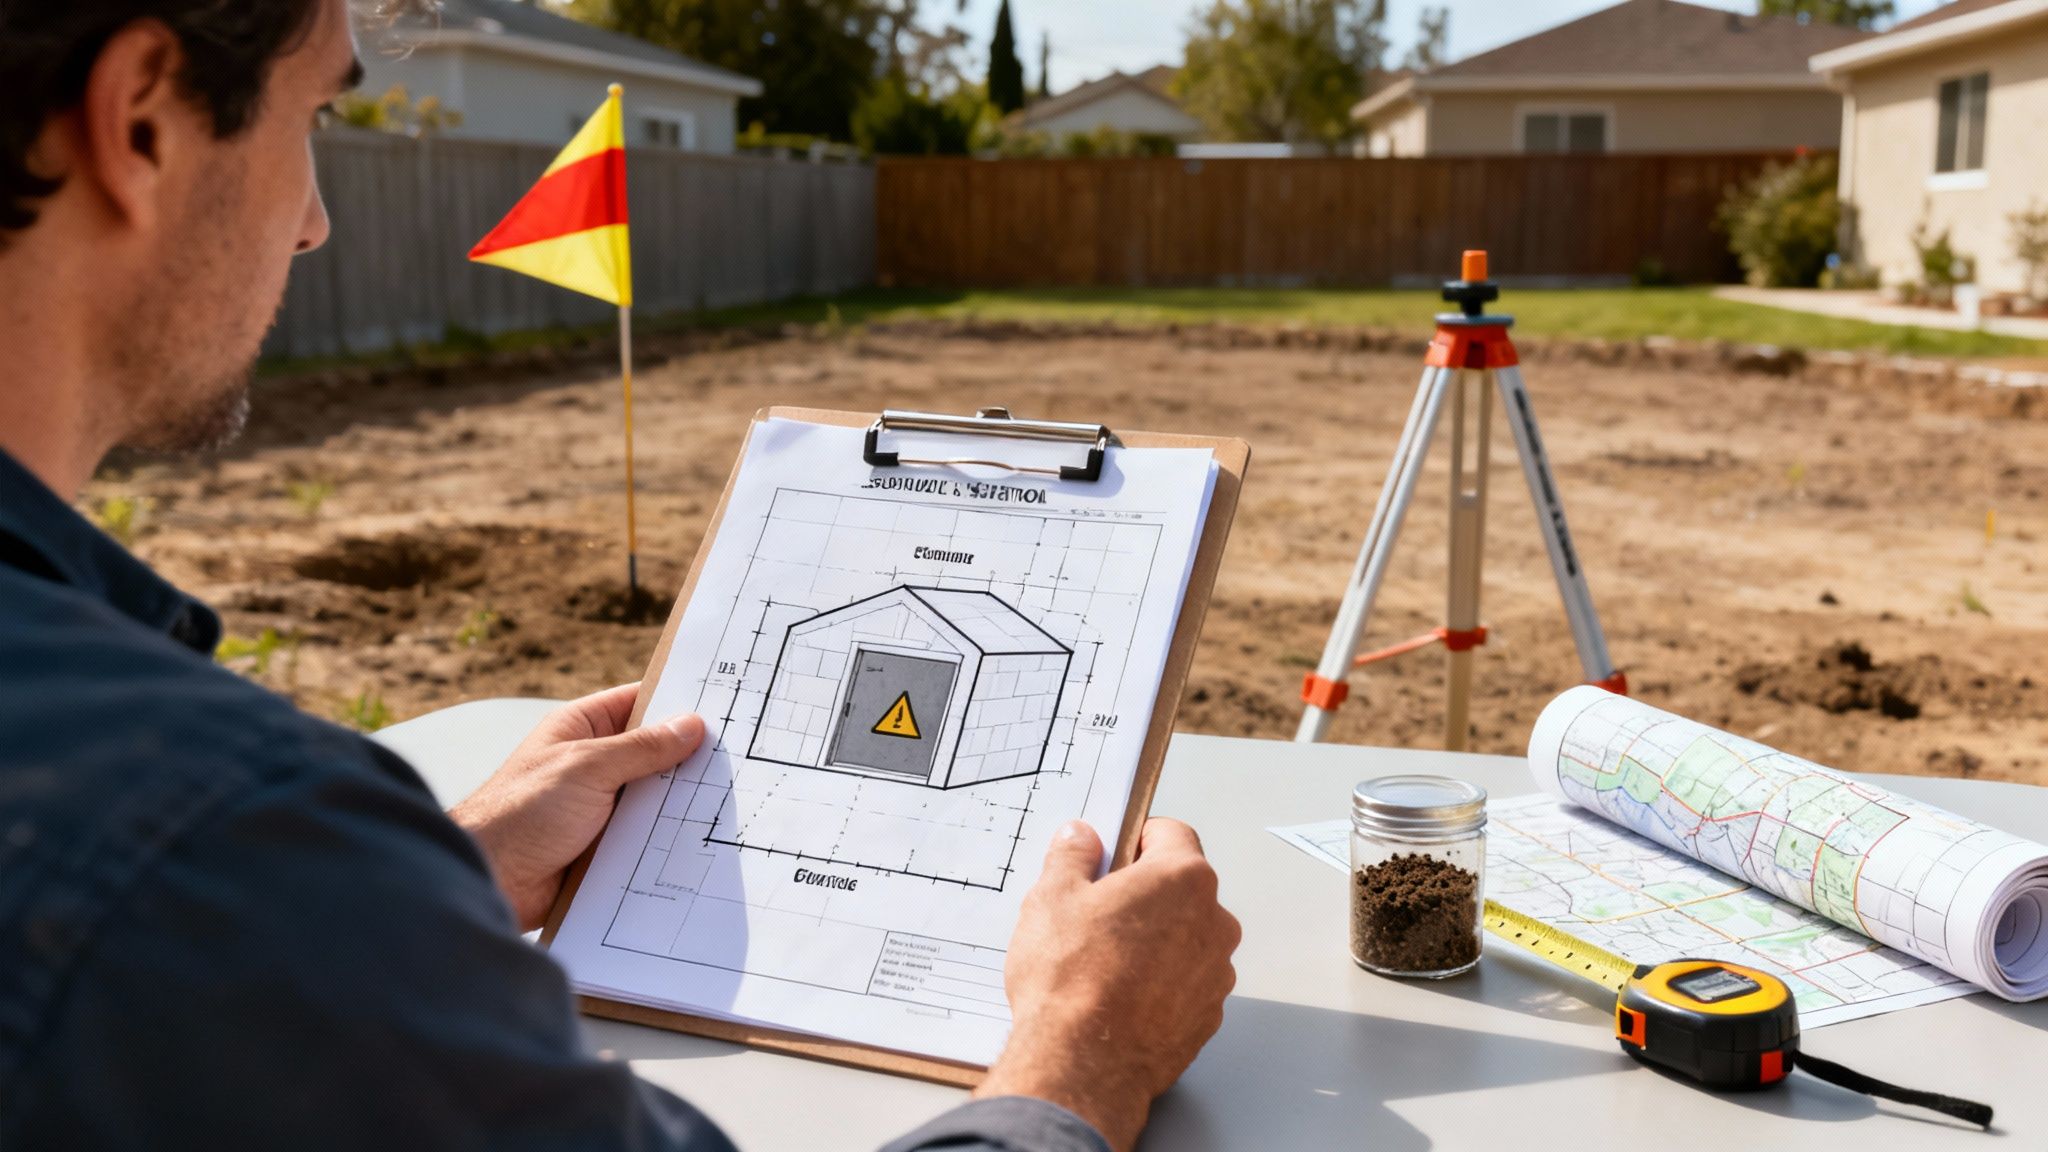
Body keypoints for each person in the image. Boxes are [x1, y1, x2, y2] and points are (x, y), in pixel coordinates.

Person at [0, 3, 1242, 1149]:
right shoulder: (196, 829)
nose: (317, 216)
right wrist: (1083, 1053)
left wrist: (427, 881)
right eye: (316, 115)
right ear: (142, 118)